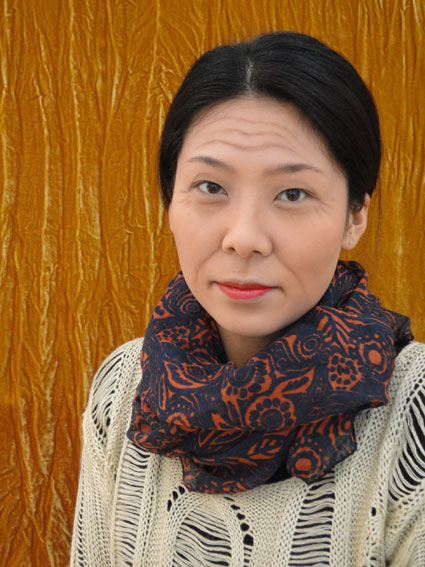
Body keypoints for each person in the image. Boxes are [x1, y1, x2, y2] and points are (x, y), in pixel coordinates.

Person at [71, 32, 425, 566]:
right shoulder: (125, 388)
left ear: (355, 216)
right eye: (211, 187)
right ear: (169, 202)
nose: (244, 238)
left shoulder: (412, 408)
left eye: (292, 194)